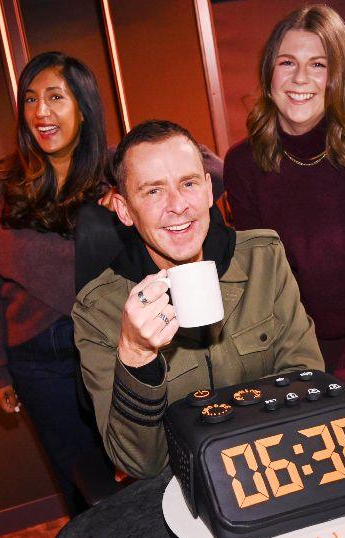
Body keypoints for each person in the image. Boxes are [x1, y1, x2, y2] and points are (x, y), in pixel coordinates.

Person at [73, 120, 326, 479]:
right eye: (153, 192)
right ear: (125, 210)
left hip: (280, 464)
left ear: (209, 191)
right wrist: (135, 354)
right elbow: (140, 464)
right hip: (181, 488)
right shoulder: (97, 310)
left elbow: (307, 384)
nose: (178, 206)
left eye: (188, 184)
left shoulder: (263, 258)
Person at [224, 5, 345, 410]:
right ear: (268, 73)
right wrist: (300, 365)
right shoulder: (242, 164)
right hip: (291, 348)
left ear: (339, 76)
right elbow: (266, 282)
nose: (300, 79)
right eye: (287, 63)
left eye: (319, 65)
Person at [0, 52, 107, 515]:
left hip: (115, 347)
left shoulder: (117, 177)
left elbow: (209, 176)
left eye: (55, 97)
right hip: (39, 363)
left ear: (82, 107)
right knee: (82, 482)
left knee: (142, 470)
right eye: (30, 99)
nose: (40, 111)